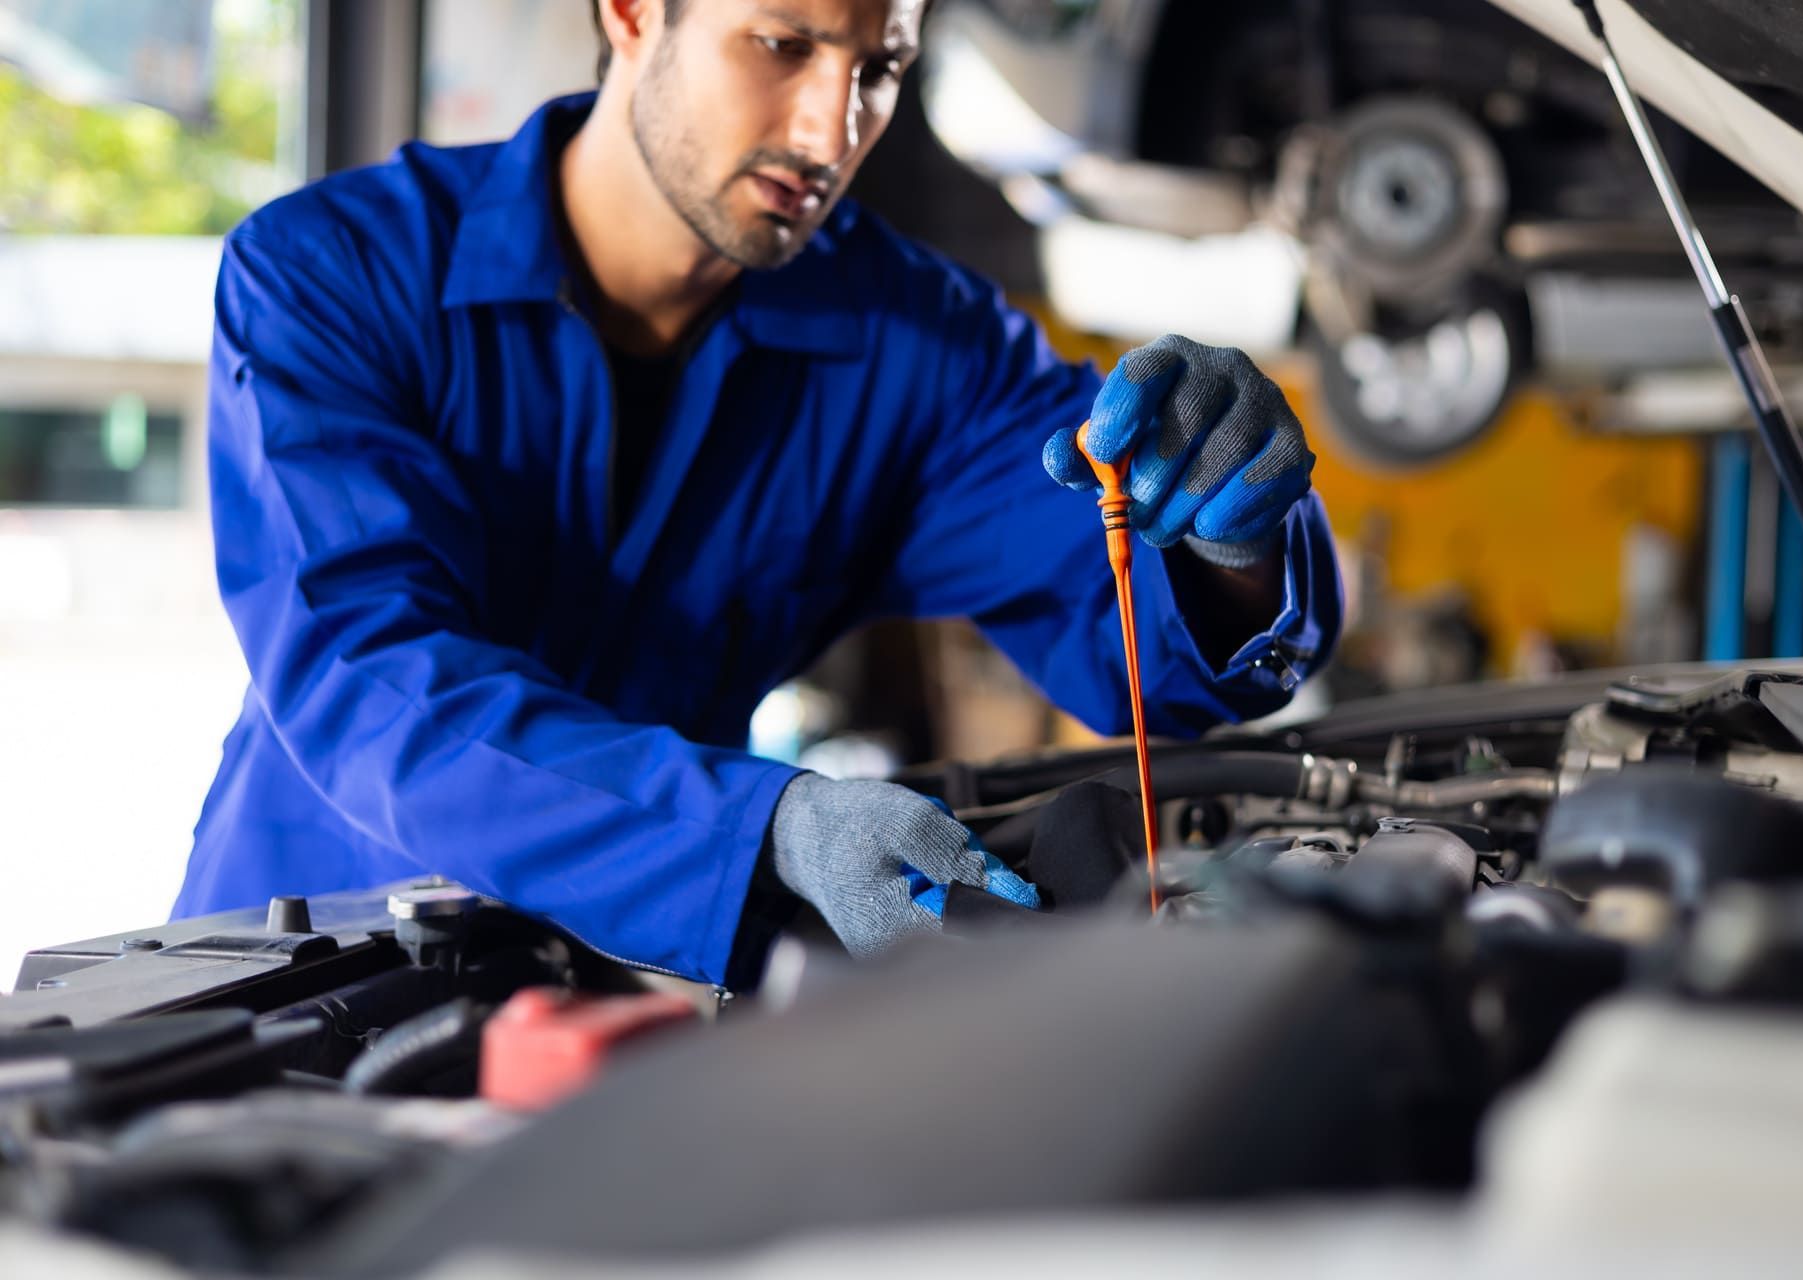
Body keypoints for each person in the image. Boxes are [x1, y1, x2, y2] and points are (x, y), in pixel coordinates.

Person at [173, 0, 1343, 987]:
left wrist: (1230, 531)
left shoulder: (918, 347)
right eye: (784, 43)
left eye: (879, 68)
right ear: (632, 13)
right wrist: (761, 828)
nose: (830, 130)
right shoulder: (328, 276)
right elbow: (370, 676)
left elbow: (1130, 618)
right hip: (296, 982)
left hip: (643, 1003)